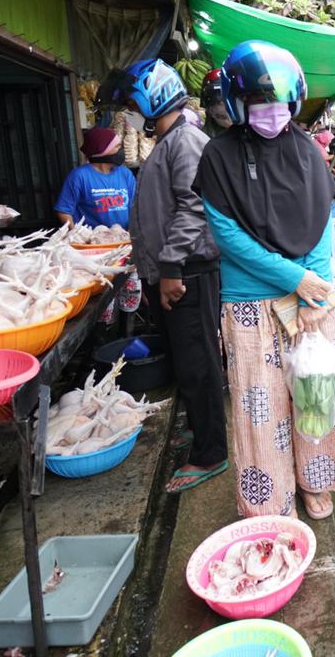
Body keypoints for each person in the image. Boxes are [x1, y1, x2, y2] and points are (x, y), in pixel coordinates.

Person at [194, 40, 335, 520]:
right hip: (250, 303)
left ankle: (314, 483)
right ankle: (271, 502)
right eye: (260, 104)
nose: (272, 113)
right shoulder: (217, 158)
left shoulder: (307, 150)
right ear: (239, 104)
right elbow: (227, 235)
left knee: (315, 395)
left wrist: (315, 292)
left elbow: (321, 220)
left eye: (280, 104)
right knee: (260, 412)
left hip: (312, 302)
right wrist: (296, 278)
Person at [117, 59, 228, 493]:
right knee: (186, 361)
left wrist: (170, 268)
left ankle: (211, 453)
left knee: (199, 363)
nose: (130, 110)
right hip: (171, 271)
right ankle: (200, 430)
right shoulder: (168, 139)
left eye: (133, 103)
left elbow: (194, 206)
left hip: (188, 273)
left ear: (152, 98)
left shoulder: (185, 141)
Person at [54, 127, 136, 227]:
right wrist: (76, 234)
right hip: (93, 240)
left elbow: (135, 207)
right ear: (103, 150)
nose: (121, 151)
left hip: (124, 238)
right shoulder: (79, 176)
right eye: (117, 147)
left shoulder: (125, 174)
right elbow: (63, 210)